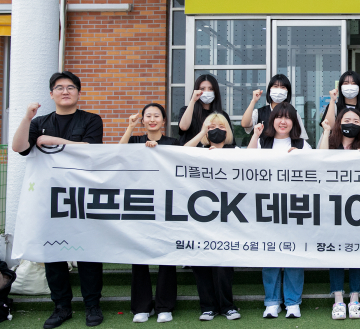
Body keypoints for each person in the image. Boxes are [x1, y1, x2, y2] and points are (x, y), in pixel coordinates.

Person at [11, 71, 105, 328]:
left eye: (71, 87)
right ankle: (61, 307)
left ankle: (92, 305)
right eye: (60, 88)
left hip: (81, 197)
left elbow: (92, 150)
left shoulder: (91, 120)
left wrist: (52, 140)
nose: (65, 91)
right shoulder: (39, 121)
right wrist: (27, 118)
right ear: (51, 94)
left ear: (78, 93)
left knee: (88, 253)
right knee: (53, 253)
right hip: (48, 200)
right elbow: (19, 147)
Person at [248, 102, 310, 318]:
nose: (283, 121)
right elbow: (246, 163)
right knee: (270, 254)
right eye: (278, 117)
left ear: (294, 122)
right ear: (272, 120)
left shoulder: (302, 144)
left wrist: (301, 157)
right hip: (268, 207)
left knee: (294, 254)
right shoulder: (263, 142)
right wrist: (255, 136)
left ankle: (293, 302)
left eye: (288, 117)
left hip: (295, 208)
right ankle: (272, 301)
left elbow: (315, 170)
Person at [118, 104, 178, 323]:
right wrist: (130, 127)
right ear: (142, 120)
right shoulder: (134, 141)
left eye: (157, 116)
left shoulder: (173, 143)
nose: (152, 119)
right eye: (148, 116)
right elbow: (118, 154)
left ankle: (164, 306)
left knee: (167, 257)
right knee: (139, 257)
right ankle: (141, 307)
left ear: (164, 120)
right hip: (140, 205)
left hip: (166, 206)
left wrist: (158, 151)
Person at [184, 113, 240, 320]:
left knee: (224, 265)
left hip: (227, 216)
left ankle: (227, 306)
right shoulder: (197, 151)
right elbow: (180, 153)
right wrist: (201, 134)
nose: (217, 130)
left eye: (221, 126)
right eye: (212, 126)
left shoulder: (235, 152)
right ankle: (207, 306)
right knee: (201, 263)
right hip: (199, 216)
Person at [318, 108, 360, 319]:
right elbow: (319, 159)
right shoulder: (330, 143)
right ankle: (338, 298)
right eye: (347, 119)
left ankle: (355, 297)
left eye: (355, 121)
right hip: (333, 208)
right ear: (339, 122)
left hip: (358, 210)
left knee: (357, 251)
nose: (351, 123)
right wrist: (326, 132)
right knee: (336, 251)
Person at [320, 71, 360, 148]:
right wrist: (332, 100)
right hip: (336, 150)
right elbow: (328, 127)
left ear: (359, 88)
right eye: (346, 83)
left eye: (353, 83)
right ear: (340, 87)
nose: (350, 86)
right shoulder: (334, 107)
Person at [241, 74, 309, 141]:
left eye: (283, 87)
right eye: (275, 86)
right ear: (270, 90)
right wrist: (253, 101)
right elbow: (245, 124)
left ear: (287, 92)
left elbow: (302, 138)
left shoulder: (293, 113)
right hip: (263, 148)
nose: (279, 90)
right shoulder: (259, 112)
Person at [177, 74, 235, 146]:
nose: (207, 92)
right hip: (189, 151)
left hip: (212, 152)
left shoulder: (222, 115)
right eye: (202, 89)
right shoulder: (186, 110)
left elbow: (229, 139)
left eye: (211, 89)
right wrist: (193, 100)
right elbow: (183, 127)